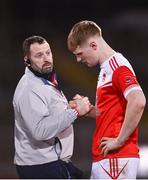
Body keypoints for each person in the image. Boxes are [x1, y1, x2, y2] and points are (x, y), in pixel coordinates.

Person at [67, 20, 146, 179]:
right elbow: (108, 113)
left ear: (93, 45)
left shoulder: (117, 67)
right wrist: (87, 110)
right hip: (108, 157)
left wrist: (119, 140)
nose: (78, 60)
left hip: (117, 157)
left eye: (79, 54)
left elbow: (138, 101)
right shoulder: (106, 69)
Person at [13, 35, 92, 179]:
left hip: (50, 162)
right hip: (40, 167)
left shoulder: (43, 78)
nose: (46, 58)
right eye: (39, 55)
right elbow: (40, 131)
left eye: (48, 53)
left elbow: (47, 113)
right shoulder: (29, 88)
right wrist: (74, 111)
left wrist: (68, 108)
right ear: (27, 60)